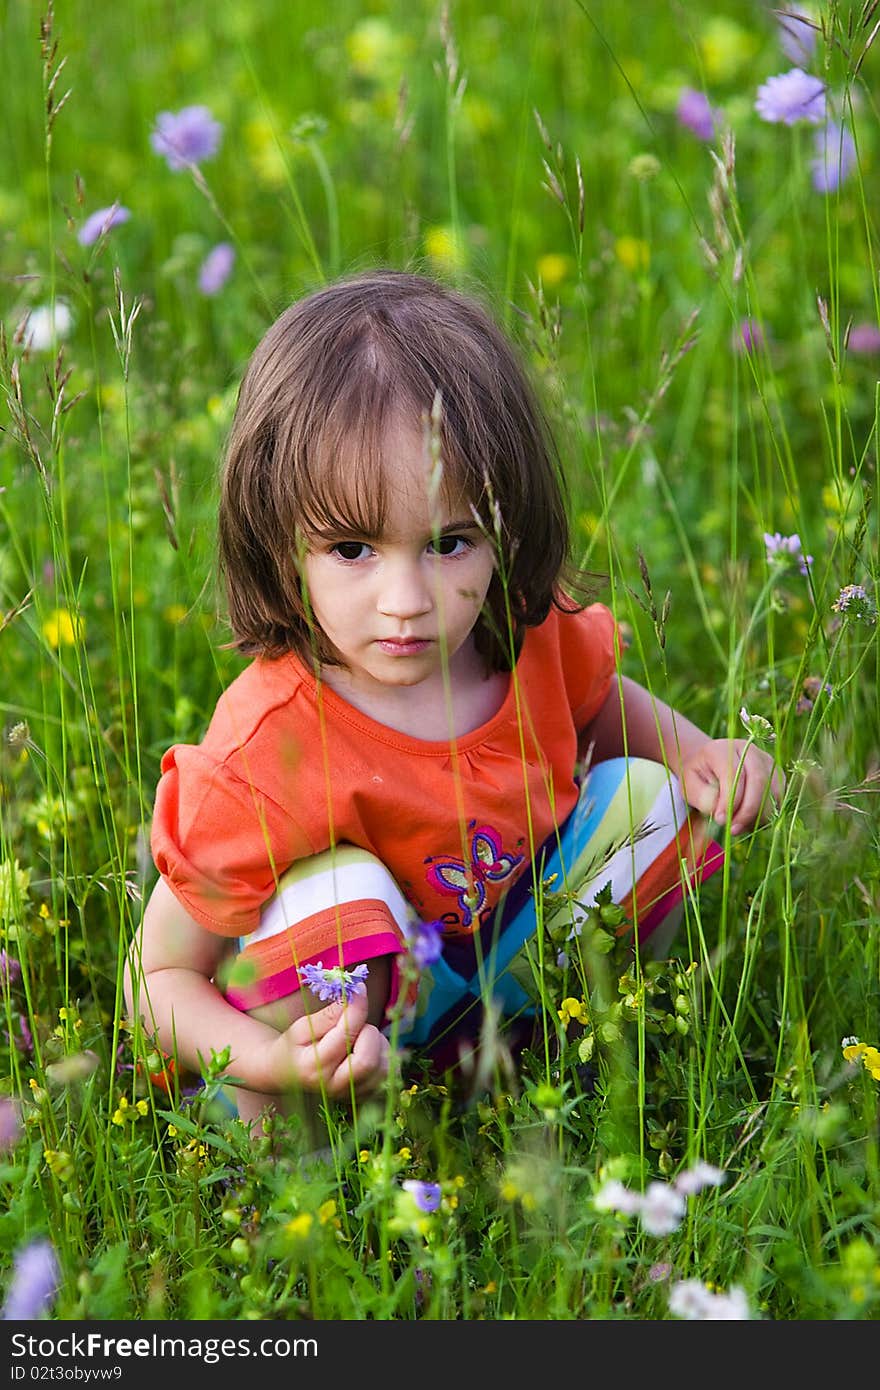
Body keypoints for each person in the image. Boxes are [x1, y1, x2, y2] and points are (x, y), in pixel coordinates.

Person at [124, 269, 783, 1132]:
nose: (406, 601)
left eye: (448, 542)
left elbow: (598, 704)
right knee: (338, 896)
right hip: (334, 1046)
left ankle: (567, 1046)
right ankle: (298, 1147)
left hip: (498, 969)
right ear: (280, 542)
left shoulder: (527, 638)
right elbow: (158, 978)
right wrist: (275, 1060)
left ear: (505, 529)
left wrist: (708, 757)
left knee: (654, 803)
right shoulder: (266, 751)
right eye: (353, 548)